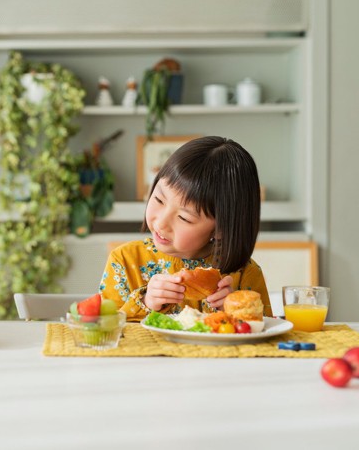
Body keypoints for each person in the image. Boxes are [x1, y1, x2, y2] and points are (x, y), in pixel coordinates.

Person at [98, 136, 273, 321]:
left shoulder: (245, 275)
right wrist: (145, 301)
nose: (161, 223)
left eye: (184, 217)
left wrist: (236, 313)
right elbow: (103, 332)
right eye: (159, 200)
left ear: (220, 228)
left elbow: (267, 336)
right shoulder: (126, 261)